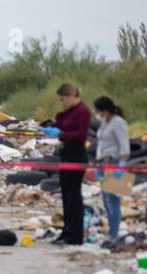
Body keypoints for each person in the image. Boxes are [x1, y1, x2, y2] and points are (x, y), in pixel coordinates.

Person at [45, 83, 92, 245]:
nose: (62, 103)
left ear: (72, 96)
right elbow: (61, 122)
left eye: (63, 100)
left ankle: (75, 235)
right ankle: (66, 231)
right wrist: (51, 126)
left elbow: (80, 134)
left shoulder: (83, 111)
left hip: (77, 156)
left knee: (74, 196)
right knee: (65, 195)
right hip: (65, 154)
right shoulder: (68, 112)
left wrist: (62, 133)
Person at [91, 95, 130, 241]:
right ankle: (111, 232)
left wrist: (121, 165)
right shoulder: (104, 122)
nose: (98, 114)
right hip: (102, 162)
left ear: (106, 110)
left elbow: (124, 146)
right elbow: (101, 143)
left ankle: (114, 233)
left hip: (114, 162)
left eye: (100, 111)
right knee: (105, 200)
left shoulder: (119, 123)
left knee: (113, 200)